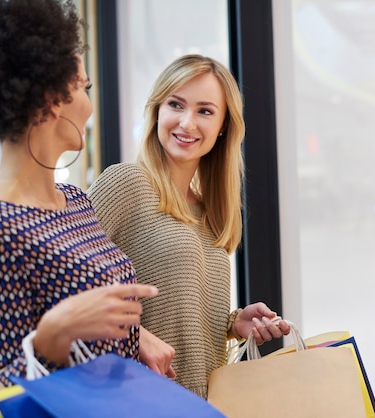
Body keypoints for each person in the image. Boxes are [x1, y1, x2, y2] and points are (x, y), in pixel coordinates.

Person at [0, 0, 173, 386]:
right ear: (51, 99)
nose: (88, 105)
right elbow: (5, 392)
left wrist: (136, 337)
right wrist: (51, 339)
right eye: (84, 88)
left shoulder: (76, 201)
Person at [88, 54, 291, 398]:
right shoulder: (125, 183)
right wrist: (133, 335)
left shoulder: (210, 212)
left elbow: (178, 309)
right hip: (140, 398)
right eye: (176, 105)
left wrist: (233, 323)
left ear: (224, 124)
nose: (187, 122)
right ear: (157, 111)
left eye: (205, 111)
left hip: (202, 402)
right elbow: (64, 285)